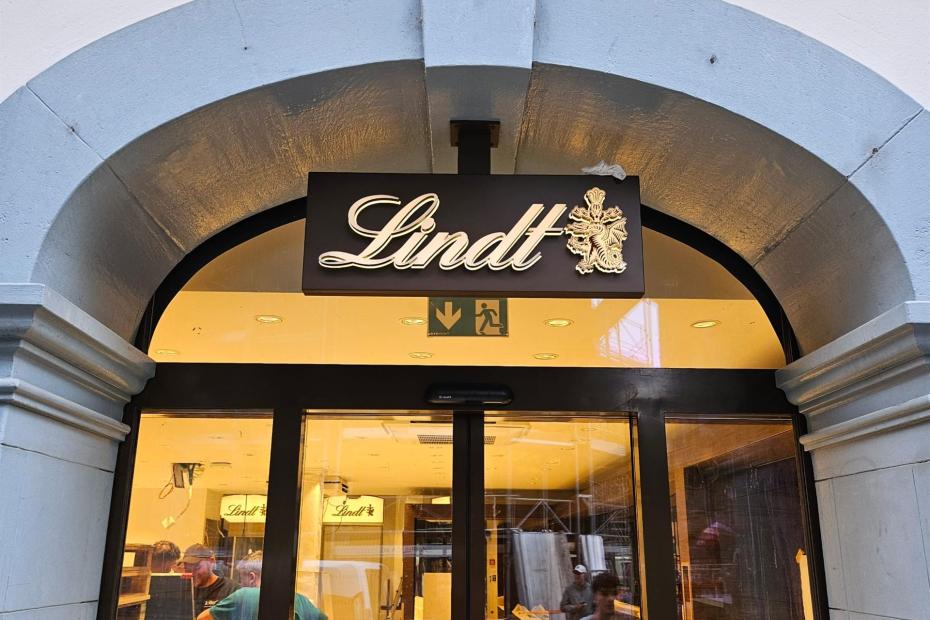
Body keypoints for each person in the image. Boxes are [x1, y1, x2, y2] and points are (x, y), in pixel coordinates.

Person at [196, 550, 326, 620]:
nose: (240, 584)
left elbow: (202, 619)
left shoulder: (245, 595)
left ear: (252, 577)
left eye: (242, 579)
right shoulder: (301, 600)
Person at [181, 544, 239, 615]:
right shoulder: (183, 589)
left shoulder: (231, 589)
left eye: (197, 567)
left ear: (211, 561)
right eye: (187, 569)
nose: (192, 573)